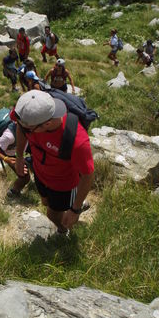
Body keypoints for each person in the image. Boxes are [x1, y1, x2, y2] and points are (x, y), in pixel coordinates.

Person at [15, 90, 94, 234]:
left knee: (52, 214)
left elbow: (87, 176)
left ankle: (64, 230)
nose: (27, 131)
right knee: (45, 202)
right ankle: (76, 204)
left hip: (63, 185)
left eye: (30, 129)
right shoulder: (31, 116)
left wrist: (74, 210)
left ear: (47, 124)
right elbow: (20, 128)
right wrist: (19, 156)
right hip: (40, 174)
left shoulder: (76, 141)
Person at [0, 121, 30, 197]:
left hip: (22, 148)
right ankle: (13, 191)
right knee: (25, 177)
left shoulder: (31, 128)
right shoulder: (9, 136)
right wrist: (6, 159)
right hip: (11, 155)